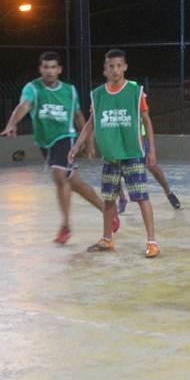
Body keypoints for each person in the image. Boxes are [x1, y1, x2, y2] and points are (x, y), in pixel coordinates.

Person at [1, 51, 106, 245]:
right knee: (73, 182)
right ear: (40, 69)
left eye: (53, 67)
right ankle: (107, 211)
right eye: (45, 67)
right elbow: (24, 106)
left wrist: (89, 142)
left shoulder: (69, 91)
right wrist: (12, 123)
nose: (49, 71)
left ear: (59, 70)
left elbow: (78, 117)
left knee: (59, 175)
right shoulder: (33, 88)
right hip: (45, 142)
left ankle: (65, 226)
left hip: (65, 137)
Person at [69, 49, 160, 258]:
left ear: (125, 67)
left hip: (133, 153)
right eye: (111, 66)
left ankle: (152, 242)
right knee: (109, 199)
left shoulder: (135, 92)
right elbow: (91, 123)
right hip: (110, 155)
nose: (116, 70)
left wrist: (151, 150)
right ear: (105, 70)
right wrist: (77, 146)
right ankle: (107, 238)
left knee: (141, 196)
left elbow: (146, 120)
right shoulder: (98, 94)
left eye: (119, 66)